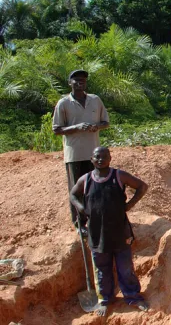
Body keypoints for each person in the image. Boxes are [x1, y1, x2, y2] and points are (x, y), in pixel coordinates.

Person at [69, 146, 149, 317]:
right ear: (92, 159)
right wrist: (82, 208)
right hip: (97, 234)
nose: (100, 159)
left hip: (120, 231)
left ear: (110, 158)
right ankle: (105, 299)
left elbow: (142, 186)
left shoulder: (119, 176)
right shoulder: (86, 179)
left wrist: (129, 205)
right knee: (101, 268)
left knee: (125, 267)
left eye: (104, 156)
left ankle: (133, 296)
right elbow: (73, 194)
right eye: (97, 157)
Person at [53, 69, 109, 235]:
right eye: (76, 80)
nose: (80, 82)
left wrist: (96, 126)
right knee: (77, 190)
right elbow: (56, 129)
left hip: (95, 155)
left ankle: (96, 219)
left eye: (83, 80)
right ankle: (79, 223)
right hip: (74, 154)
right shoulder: (63, 103)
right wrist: (76, 127)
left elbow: (105, 122)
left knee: (95, 187)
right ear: (69, 83)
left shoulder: (95, 100)